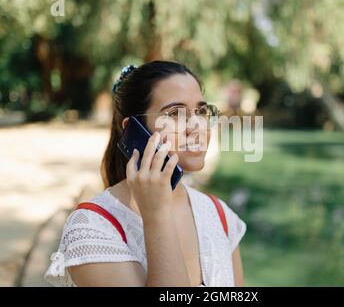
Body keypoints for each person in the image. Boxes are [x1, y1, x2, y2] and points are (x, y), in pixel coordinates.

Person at [44, 60, 247, 287]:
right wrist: (157, 216)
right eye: (175, 114)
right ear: (133, 129)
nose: (196, 126)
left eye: (201, 111)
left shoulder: (220, 216)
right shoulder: (91, 229)